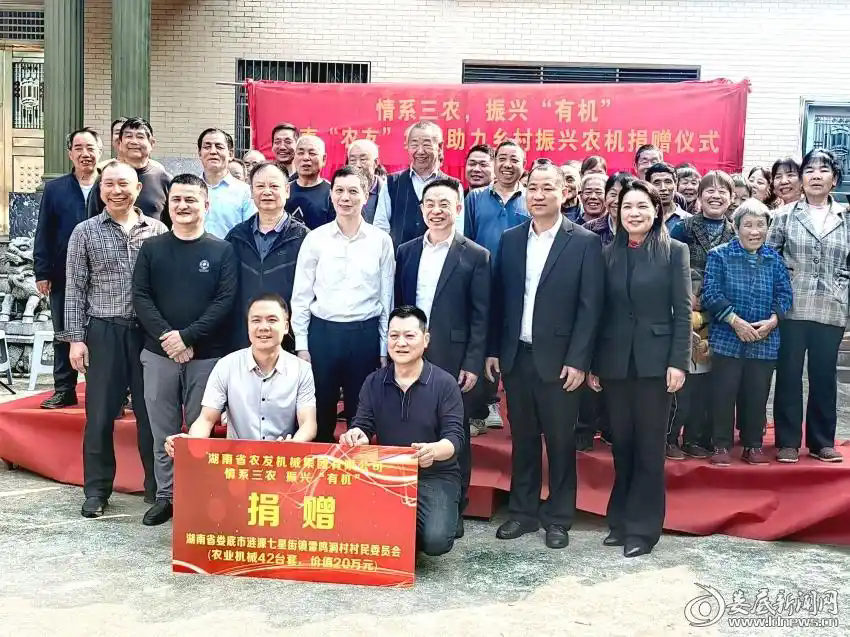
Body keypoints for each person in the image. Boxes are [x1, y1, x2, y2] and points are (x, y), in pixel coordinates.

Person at [487, 162, 604, 549]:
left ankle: (558, 517)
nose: (538, 195)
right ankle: (522, 512)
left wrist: (579, 360)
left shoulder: (584, 242)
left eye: (547, 188)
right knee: (523, 438)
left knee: (559, 441)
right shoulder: (511, 239)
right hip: (517, 356)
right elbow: (501, 300)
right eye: (532, 188)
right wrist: (494, 350)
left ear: (565, 193)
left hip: (561, 361)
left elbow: (590, 308)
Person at [587, 180, 690, 557]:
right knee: (623, 444)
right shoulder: (607, 253)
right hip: (615, 364)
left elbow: (683, 312)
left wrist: (678, 361)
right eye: (627, 207)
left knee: (649, 447)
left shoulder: (674, 251)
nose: (634, 213)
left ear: (656, 211)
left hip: (655, 364)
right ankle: (620, 520)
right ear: (617, 213)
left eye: (642, 207)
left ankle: (643, 531)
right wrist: (594, 363)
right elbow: (599, 312)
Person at [63, 160, 168, 518]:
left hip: (147, 335)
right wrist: (76, 339)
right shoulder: (85, 232)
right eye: (108, 184)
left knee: (151, 414)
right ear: (100, 189)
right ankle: (96, 490)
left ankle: (159, 488)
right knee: (99, 415)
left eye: (124, 184)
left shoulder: (157, 230)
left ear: (138, 188)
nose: (116, 191)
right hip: (103, 331)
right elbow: (75, 289)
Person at [133, 174, 238, 525]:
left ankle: (195, 497)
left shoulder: (222, 250)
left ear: (206, 205)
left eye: (191, 199)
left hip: (206, 357)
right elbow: (141, 297)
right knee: (162, 430)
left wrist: (188, 337)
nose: (183, 206)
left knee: (199, 430)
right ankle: (166, 496)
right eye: (176, 199)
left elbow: (224, 302)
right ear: (168, 205)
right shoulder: (152, 248)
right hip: (159, 353)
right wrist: (169, 337)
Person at [395, 177, 490, 537]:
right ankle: (407, 503)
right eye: (430, 204)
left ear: (458, 208)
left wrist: (473, 362)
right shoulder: (406, 251)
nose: (436, 211)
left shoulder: (476, 255)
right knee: (409, 423)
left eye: (444, 204)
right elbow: (398, 304)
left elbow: (482, 316)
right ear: (421, 209)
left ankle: (455, 508)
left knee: (454, 431)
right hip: (408, 352)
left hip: (453, 356)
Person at [339, 306, 464, 557]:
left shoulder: (444, 383)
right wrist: (356, 435)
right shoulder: (374, 382)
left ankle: (434, 518)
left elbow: (455, 437)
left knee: (436, 541)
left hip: (434, 475)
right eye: (394, 336)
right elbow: (363, 424)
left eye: (409, 336)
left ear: (425, 339)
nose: (401, 343)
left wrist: (434, 451)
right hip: (388, 474)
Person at [291, 166, 394, 443]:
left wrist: (383, 347)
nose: (345, 198)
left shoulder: (381, 241)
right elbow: (301, 296)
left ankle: (356, 469)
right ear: (331, 195)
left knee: (361, 416)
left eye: (353, 191)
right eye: (339, 191)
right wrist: (302, 345)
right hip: (323, 334)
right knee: (319, 413)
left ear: (366, 195)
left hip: (364, 334)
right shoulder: (315, 239)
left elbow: (386, 298)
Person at [767, 148, 850, 464]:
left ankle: (822, 441)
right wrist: (776, 302)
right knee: (789, 375)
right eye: (810, 170)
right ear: (801, 179)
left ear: (834, 179)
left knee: (824, 377)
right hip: (792, 307)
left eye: (824, 170)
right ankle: (788, 441)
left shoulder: (846, 217)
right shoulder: (784, 216)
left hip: (831, 307)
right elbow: (771, 261)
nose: (816, 176)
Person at [164, 293, 318, 457]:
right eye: (256, 320)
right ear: (248, 326)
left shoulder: (301, 369)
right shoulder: (227, 365)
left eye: (272, 320)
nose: (263, 327)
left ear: (286, 326)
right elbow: (206, 419)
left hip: (281, 459)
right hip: (237, 462)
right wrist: (189, 442)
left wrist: (293, 444)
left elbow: (308, 424)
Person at [702, 199, 793, 466]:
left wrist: (773, 321)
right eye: (748, 225)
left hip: (764, 340)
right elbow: (711, 293)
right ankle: (720, 445)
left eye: (760, 225)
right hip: (727, 338)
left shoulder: (774, 259)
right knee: (723, 393)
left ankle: (753, 445)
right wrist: (735, 321)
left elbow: (785, 295)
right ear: (736, 226)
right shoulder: (719, 255)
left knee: (757, 394)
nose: (755, 231)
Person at [463, 140, 530, 433]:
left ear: (523, 165)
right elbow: (465, 239)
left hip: (519, 284)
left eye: (514, 159)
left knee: (511, 342)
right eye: (502, 158)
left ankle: (499, 403)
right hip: (481, 280)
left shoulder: (530, 198)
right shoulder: (475, 198)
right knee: (480, 339)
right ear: (494, 163)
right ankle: (477, 409)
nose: (507, 164)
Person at [34, 127, 103, 409]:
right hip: (63, 273)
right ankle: (64, 389)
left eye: (90, 148)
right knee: (63, 332)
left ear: (100, 152)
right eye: (78, 148)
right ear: (70, 154)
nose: (85, 154)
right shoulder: (56, 189)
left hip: (103, 275)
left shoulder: (109, 185)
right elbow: (44, 231)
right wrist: (42, 271)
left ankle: (105, 391)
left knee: (102, 334)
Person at [226, 161, 309, 349]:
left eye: (274, 186)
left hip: (287, 340)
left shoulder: (304, 238)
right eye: (260, 186)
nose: (267, 192)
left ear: (287, 190)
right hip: (242, 337)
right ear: (251, 191)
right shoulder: (236, 236)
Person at [374, 120, 453, 247]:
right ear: (407, 147)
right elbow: (380, 228)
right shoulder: (391, 183)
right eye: (414, 144)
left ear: (439, 147)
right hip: (398, 258)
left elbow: (457, 231)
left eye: (426, 144)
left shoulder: (453, 186)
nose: (420, 151)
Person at [87, 118, 172, 224]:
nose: (134, 141)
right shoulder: (106, 177)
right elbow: (91, 222)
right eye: (128, 136)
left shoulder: (165, 180)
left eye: (140, 136)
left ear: (152, 143)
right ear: (120, 143)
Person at [670, 171, 736, 279]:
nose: (716, 196)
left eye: (722, 191)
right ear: (699, 196)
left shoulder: (736, 234)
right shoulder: (683, 228)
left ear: (731, 198)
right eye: (710, 191)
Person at [197, 128, 255, 239]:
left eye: (219, 147)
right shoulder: (189, 190)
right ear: (199, 153)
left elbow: (251, 233)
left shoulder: (245, 192)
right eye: (207, 147)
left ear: (230, 153)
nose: (213, 151)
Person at [284, 135, 334, 230]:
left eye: (312, 153)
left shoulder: (332, 193)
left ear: (324, 159)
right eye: (300, 153)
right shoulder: (283, 190)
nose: (306, 158)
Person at [584, 172, 634, 248]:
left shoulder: (640, 229)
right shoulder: (588, 229)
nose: (617, 201)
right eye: (613, 194)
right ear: (605, 198)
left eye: (623, 195)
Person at [347, 139, 384, 223]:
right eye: (352, 160)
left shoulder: (387, 192)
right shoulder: (341, 192)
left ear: (375, 162)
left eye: (363, 159)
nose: (357, 165)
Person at [647, 163, 691, 231]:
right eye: (657, 183)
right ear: (648, 186)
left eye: (668, 182)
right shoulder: (642, 218)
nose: (663, 188)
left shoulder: (690, 221)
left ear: (676, 184)